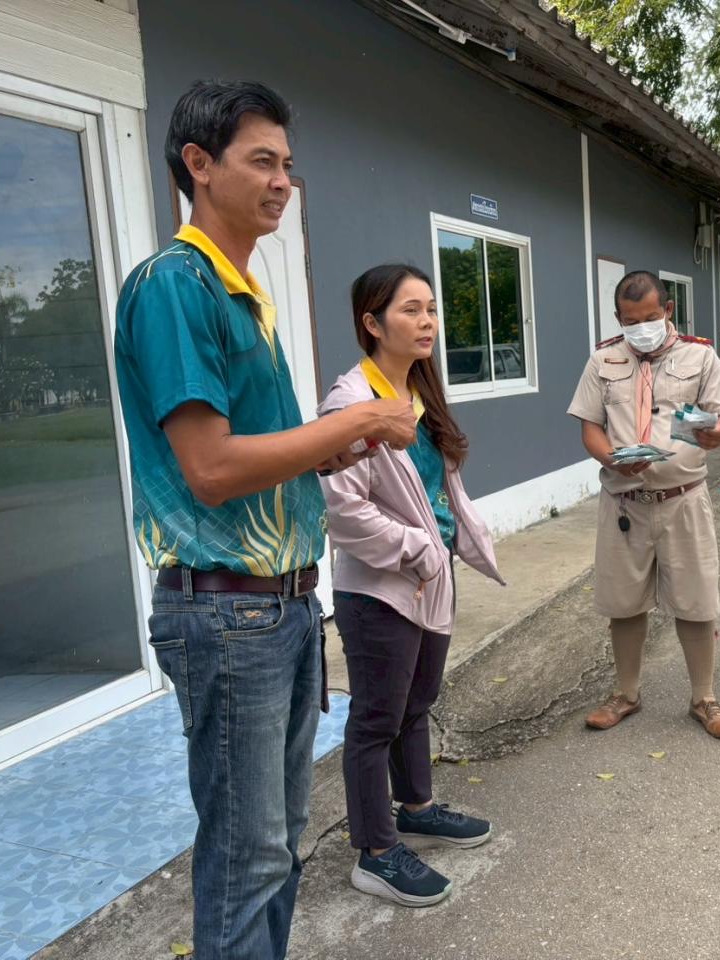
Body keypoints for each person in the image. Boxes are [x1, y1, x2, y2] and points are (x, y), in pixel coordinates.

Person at [114, 80, 416, 960]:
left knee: (277, 847)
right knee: (249, 859)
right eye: (262, 161)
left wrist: (330, 451)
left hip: (277, 606)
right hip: (227, 611)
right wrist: (361, 417)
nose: (284, 180)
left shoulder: (241, 290)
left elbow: (255, 456)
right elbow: (210, 470)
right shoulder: (176, 286)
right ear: (199, 165)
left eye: (287, 163)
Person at [319, 264, 503, 908]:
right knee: (376, 718)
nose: (428, 323)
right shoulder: (349, 405)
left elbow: (439, 487)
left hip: (430, 579)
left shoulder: (420, 395)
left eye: (431, 310)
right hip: (380, 591)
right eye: (411, 310)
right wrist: (420, 550)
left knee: (416, 702)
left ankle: (417, 808)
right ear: (372, 323)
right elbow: (344, 512)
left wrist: (456, 539)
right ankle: (375, 854)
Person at [568, 270, 720, 738]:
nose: (640, 328)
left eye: (649, 318)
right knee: (623, 603)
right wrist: (612, 459)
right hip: (624, 503)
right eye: (630, 321)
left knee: (696, 600)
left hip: (683, 499)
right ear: (618, 318)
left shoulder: (700, 355)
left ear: (667, 310)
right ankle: (625, 694)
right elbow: (590, 426)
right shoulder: (603, 359)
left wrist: (719, 432)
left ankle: (704, 699)